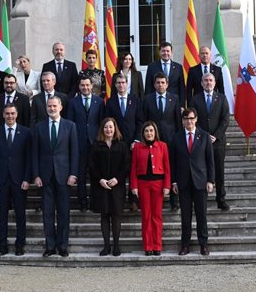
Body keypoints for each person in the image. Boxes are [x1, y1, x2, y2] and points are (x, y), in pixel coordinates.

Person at [32, 95, 78, 257]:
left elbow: (74, 152)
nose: (52, 109)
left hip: (64, 176)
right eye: (49, 106)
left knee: (64, 213)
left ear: (60, 107)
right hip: (45, 177)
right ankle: (50, 246)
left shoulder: (70, 126)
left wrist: (73, 173)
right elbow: (35, 154)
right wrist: (36, 175)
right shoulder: (39, 127)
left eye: (54, 106)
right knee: (48, 213)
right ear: (46, 108)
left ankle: (62, 246)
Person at [0, 103, 32, 256]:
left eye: (12, 113)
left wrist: (27, 179)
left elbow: (29, 158)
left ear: (17, 114)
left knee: (20, 214)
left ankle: (20, 245)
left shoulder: (26, 132)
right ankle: (3, 245)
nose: (10, 116)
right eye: (7, 113)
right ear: (3, 115)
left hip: (19, 180)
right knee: (2, 215)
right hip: (1, 181)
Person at [171, 107, 215, 256]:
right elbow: (173, 162)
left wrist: (211, 180)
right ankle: (185, 245)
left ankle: (204, 244)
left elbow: (210, 161)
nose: (189, 121)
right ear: (182, 121)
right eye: (186, 119)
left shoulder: (204, 136)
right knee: (185, 215)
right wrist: (174, 181)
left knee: (201, 214)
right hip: (183, 182)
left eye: (191, 118)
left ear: (196, 119)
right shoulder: (176, 137)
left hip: (200, 181)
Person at [189, 72, 230, 211]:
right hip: (201, 141)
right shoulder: (195, 99)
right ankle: (201, 201)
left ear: (214, 83)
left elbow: (225, 120)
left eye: (211, 80)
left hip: (218, 142)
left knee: (219, 171)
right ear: (201, 83)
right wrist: (205, 136)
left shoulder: (222, 98)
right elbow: (193, 119)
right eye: (205, 80)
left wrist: (216, 136)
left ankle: (221, 199)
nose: (208, 83)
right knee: (201, 170)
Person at [89, 118, 130, 257]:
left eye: (111, 127)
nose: (108, 130)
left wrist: (117, 179)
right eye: (106, 127)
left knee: (116, 216)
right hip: (101, 186)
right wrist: (100, 179)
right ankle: (106, 246)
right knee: (104, 216)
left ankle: (117, 246)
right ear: (102, 129)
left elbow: (126, 165)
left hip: (117, 186)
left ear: (115, 128)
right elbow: (92, 165)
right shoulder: (96, 145)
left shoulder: (122, 145)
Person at [141, 72, 181, 211]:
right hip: (152, 141)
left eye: (163, 82)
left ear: (167, 84)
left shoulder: (174, 99)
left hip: (170, 141)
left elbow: (177, 121)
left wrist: (177, 139)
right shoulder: (147, 99)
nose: (160, 85)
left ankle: (174, 201)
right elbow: (144, 120)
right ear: (154, 84)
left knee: (172, 169)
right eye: (157, 82)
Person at [130, 121, 170, 256]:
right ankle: (148, 246)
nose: (149, 133)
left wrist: (167, 185)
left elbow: (167, 168)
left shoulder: (163, 146)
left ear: (155, 132)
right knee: (146, 216)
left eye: (151, 131)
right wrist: (134, 185)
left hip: (158, 184)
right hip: (143, 184)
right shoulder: (137, 147)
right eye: (146, 131)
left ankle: (157, 245)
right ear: (143, 133)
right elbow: (134, 168)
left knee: (157, 216)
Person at [105, 72, 144, 211]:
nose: (121, 85)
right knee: (118, 171)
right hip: (117, 143)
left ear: (127, 85)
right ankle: (119, 201)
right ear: (115, 85)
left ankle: (133, 200)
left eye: (123, 83)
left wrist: (137, 140)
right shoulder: (110, 101)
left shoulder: (136, 100)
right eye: (118, 83)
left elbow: (140, 121)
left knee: (133, 171)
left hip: (133, 143)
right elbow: (108, 122)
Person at [66, 76, 104, 211]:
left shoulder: (99, 102)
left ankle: (94, 202)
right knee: (80, 175)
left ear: (92, 86)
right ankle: (82, 203)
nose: (85, 88)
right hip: (79, 142)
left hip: (95, 143)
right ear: (79, 87)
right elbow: (70, 123)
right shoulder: (72, 102)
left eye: (87, 85)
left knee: (95, 174)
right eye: (82, 85)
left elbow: (101, 123)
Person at [144, 41, 186, 108]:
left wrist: (182, 105)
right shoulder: (152, 67)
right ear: (159, 52)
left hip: (174, 103)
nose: (165, 53)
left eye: (168, 51)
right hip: (156, 102)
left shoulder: (178, 67)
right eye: (163, 51)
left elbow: (181, 88)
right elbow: (148, 87)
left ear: (171, 52)